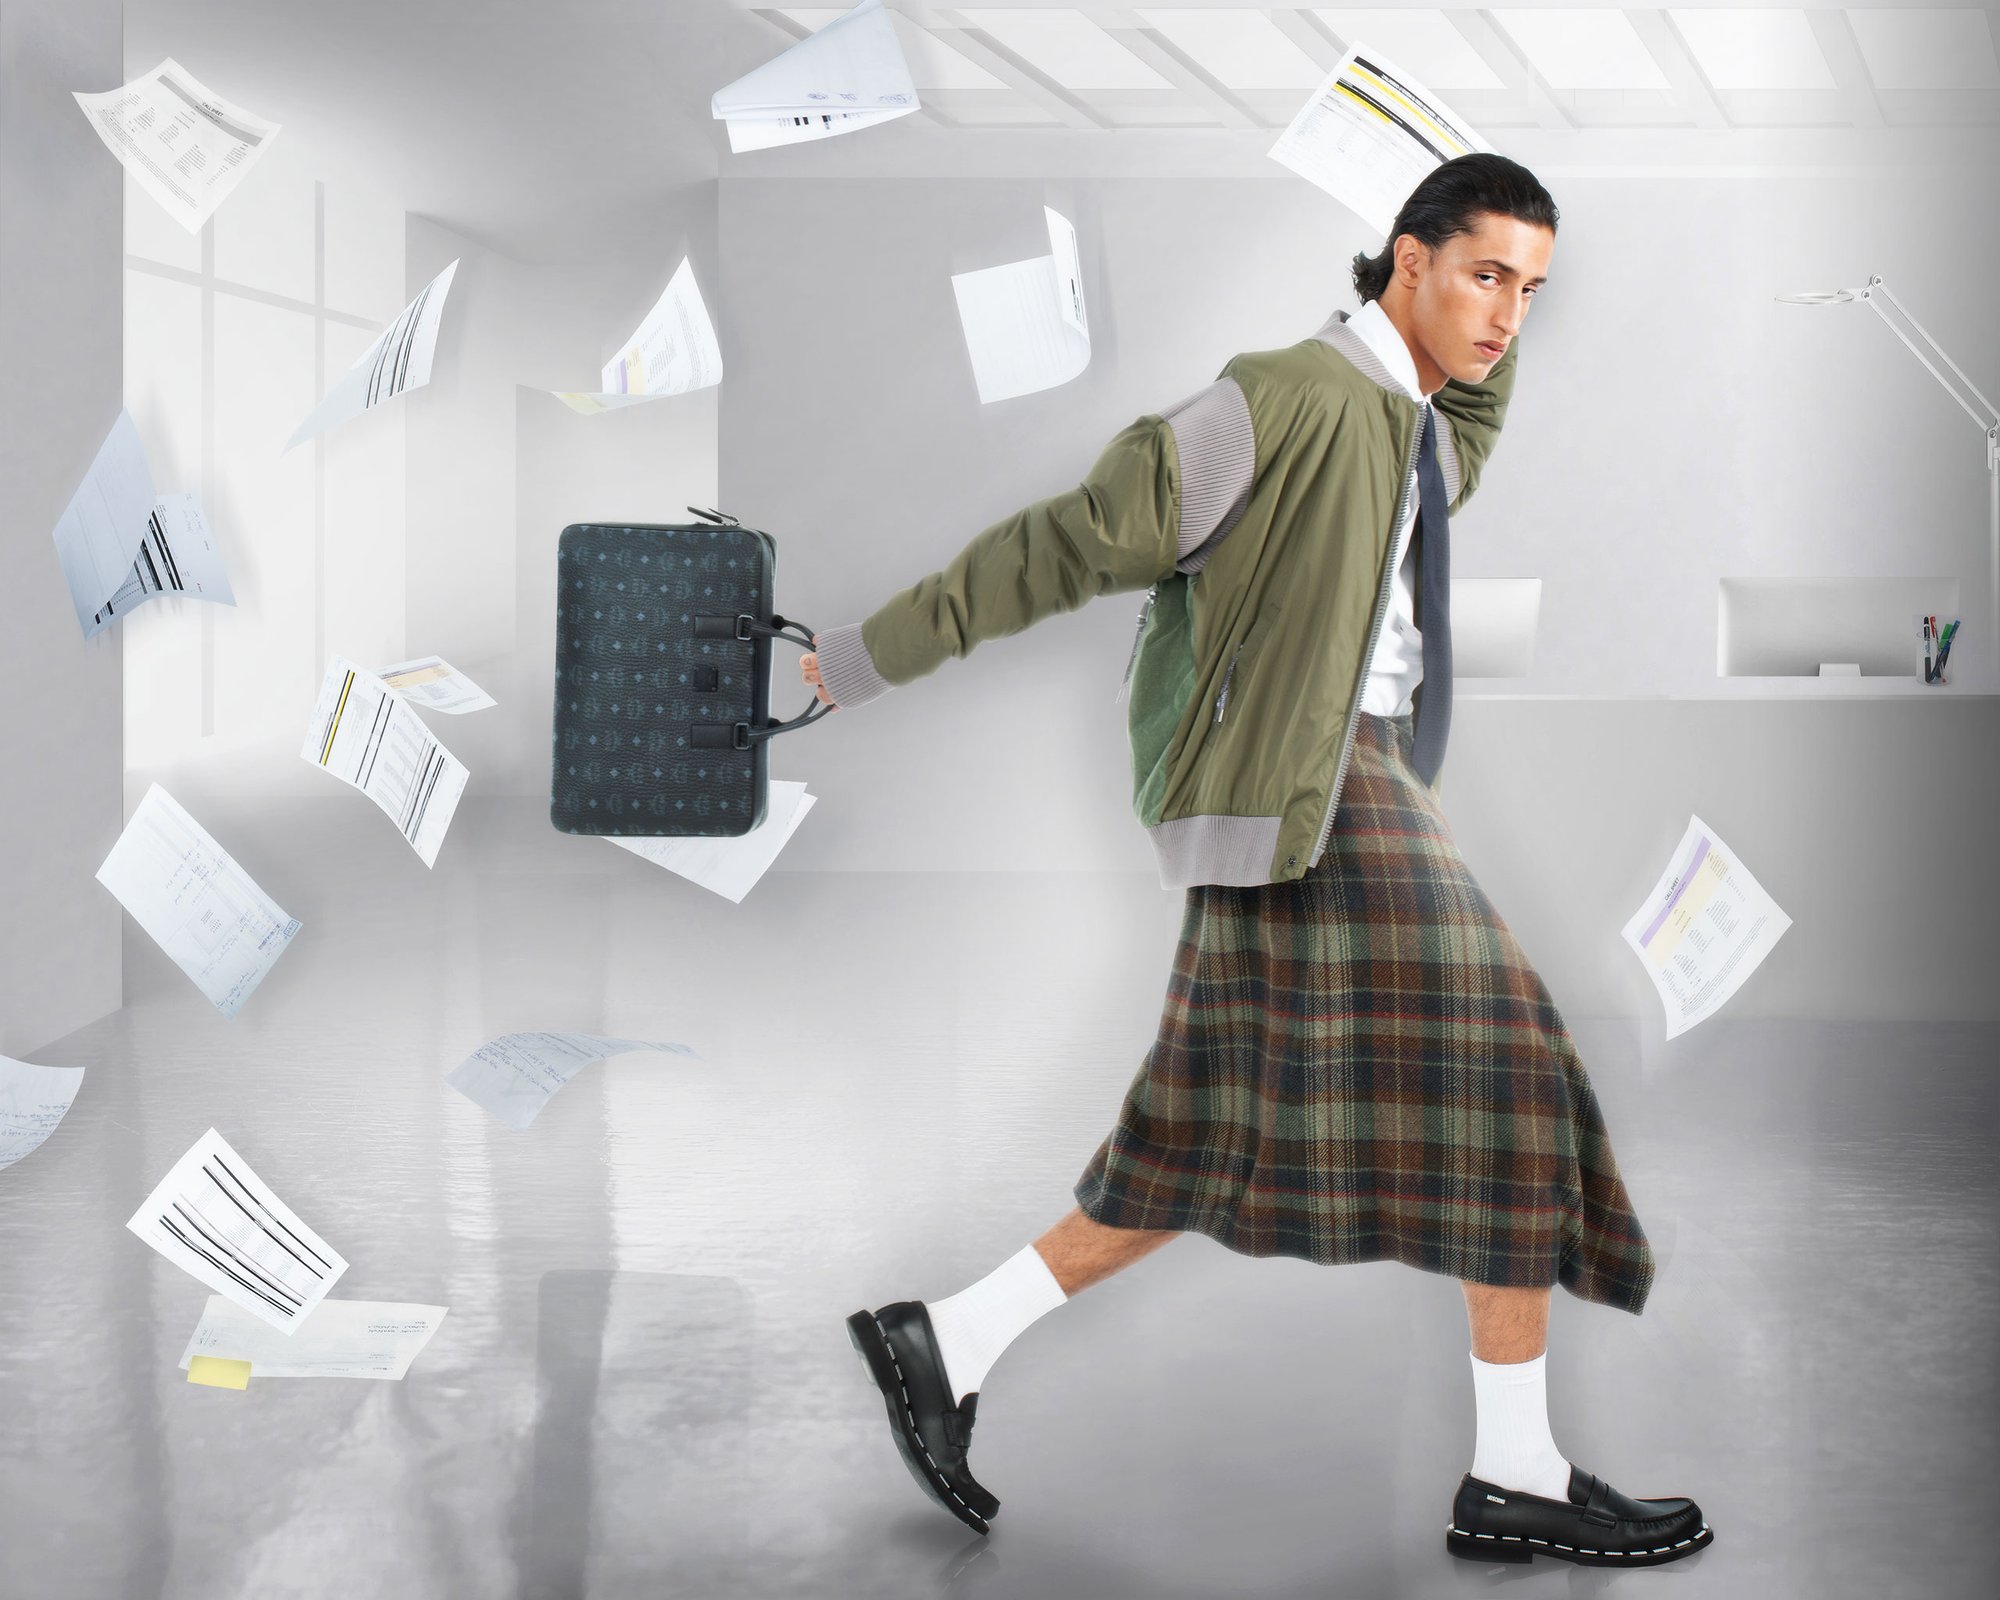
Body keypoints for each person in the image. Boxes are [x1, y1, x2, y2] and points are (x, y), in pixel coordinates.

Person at [798, 152, 1712, 1571]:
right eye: (1484, 277)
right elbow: (1070, 542)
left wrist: (1476, 308)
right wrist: (858, 661)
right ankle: (1514, 1470)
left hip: (1351, 786)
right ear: (1402, 258)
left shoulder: (1413, 429)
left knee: (1204, 1137)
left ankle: (950, 1339)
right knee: (1517, 1076)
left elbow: (1463, 429)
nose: (1509, 317)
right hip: (1311, 789)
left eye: (1533, 292)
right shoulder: (1276, 400)